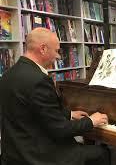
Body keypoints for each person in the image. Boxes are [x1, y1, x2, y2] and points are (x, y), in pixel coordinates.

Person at [0, 28, 109, 165]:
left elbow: (36, 111)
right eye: (57, 51)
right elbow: (60, 130)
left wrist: (69, 114)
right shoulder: (38, 80)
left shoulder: (9, 74)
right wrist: (91, 121)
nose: (58, 56)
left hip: (14, 153)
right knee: (102, 153)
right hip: (39, 157)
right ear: (43, 49)